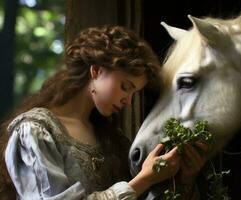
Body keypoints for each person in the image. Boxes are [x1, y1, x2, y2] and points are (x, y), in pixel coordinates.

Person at [0, 25, 207, 199]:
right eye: (125, 87)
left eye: (134, 93)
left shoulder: (111, 138)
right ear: (96, 71)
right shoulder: (35, 131)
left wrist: (183, 180)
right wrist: (144, 179)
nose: (128, 101)